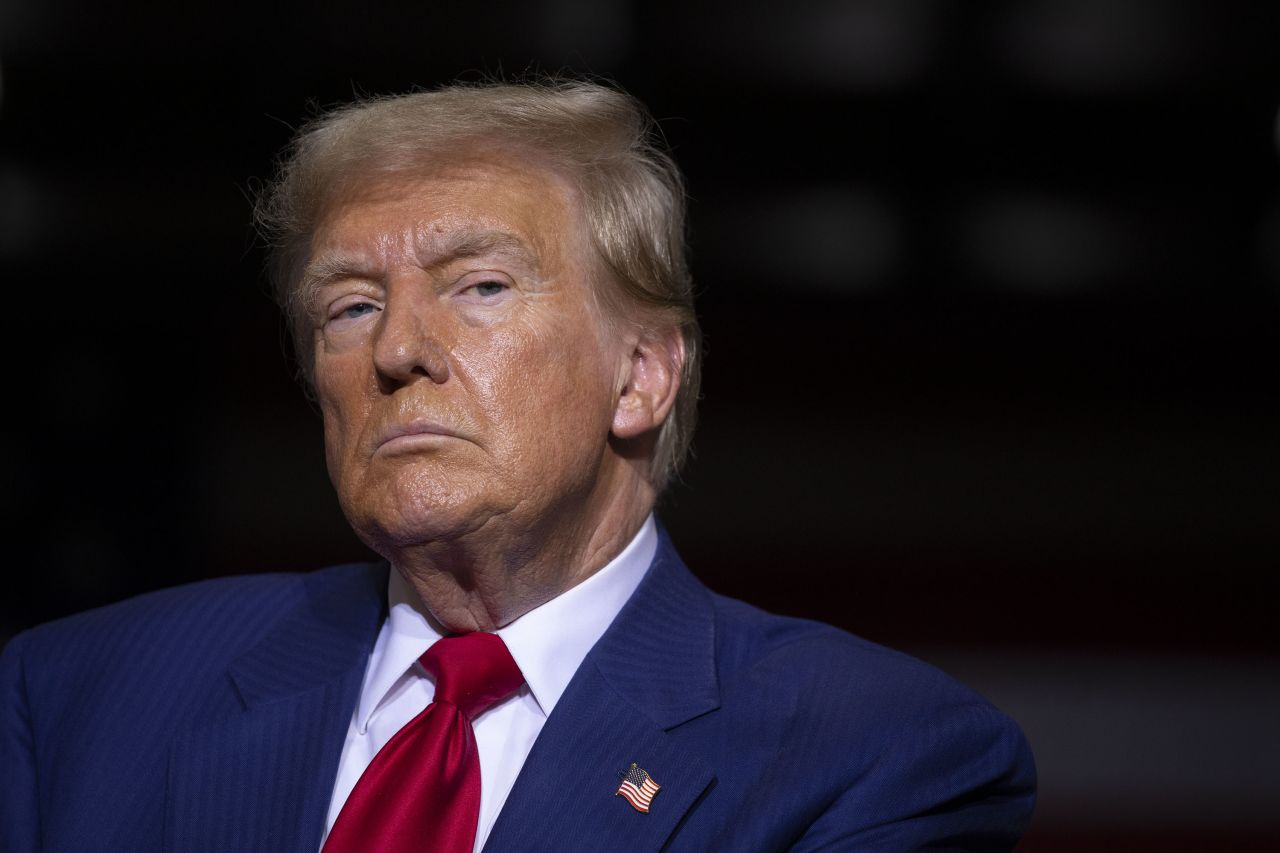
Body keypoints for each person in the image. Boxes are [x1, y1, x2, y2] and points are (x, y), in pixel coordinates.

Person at [0, 79, 1035, 852]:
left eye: (481, 286)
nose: (395, 349)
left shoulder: (870, 755)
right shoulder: (80, 695)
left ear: (639, 375)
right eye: (349, 305)